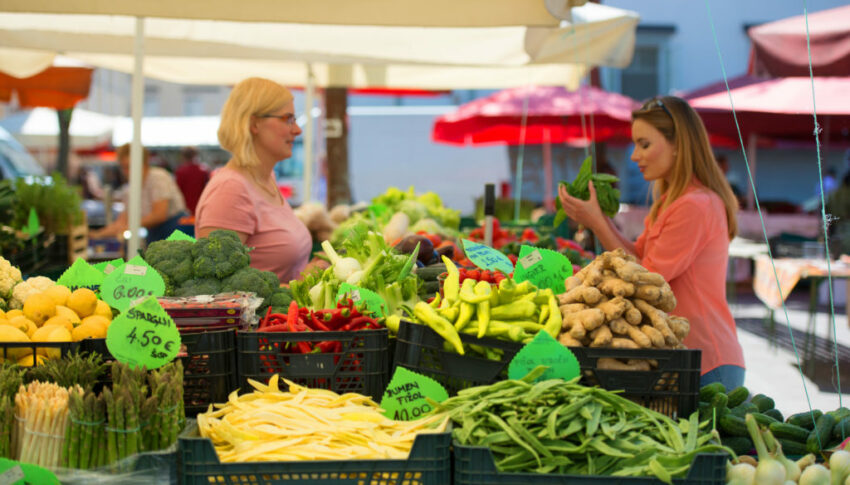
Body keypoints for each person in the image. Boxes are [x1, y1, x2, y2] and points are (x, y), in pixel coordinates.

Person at [558, 96, 745, 390]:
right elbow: (633, 255)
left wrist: (596, 222)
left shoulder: (695, 206)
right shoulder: (674, 201)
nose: (634, 156)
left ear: (678, 146)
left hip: (707, 363)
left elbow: (643, 281)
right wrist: (600, 219)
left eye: (644, 145)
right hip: (684, 356)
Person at [194, 77, 315, 283]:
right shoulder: (231, 190)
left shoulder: (266, 179)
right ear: (254, 123)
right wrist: (304, 281)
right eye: (288, 119)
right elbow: (216, 290)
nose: (297, 130)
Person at [91, 143, 188, 244]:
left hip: (177, 230)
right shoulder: (129, 189)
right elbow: (121, 222)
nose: (126, 171)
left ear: (144, 163)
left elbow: (159, 214)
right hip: (155, 234)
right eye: (123, 167)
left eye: (129, 166)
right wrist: (97, 234)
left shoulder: (158, 177)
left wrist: (131, 225)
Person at [175, 146, 210, 215]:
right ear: (195, 155)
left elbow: (177, 191)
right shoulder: (203, 171)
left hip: (185, 208)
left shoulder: (180, 171)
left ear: (183, 156)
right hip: (201, 206)